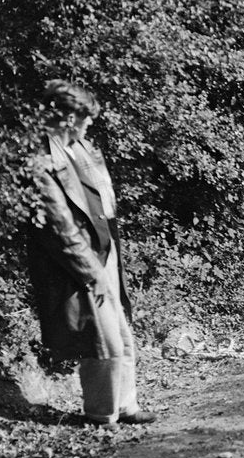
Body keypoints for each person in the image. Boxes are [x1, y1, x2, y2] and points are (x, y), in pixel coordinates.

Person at [27, 80, 156, 429]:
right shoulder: (40, 161)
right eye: (84, 118)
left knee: (121, 330)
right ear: (68, 117)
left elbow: (102, 200)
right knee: (101, 338)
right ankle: (101, 414)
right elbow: (58, 227)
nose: (89, 125)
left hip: (104, 252)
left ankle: (126, 406)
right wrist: (90, 269)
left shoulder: (80, 148)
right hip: (79, 262)